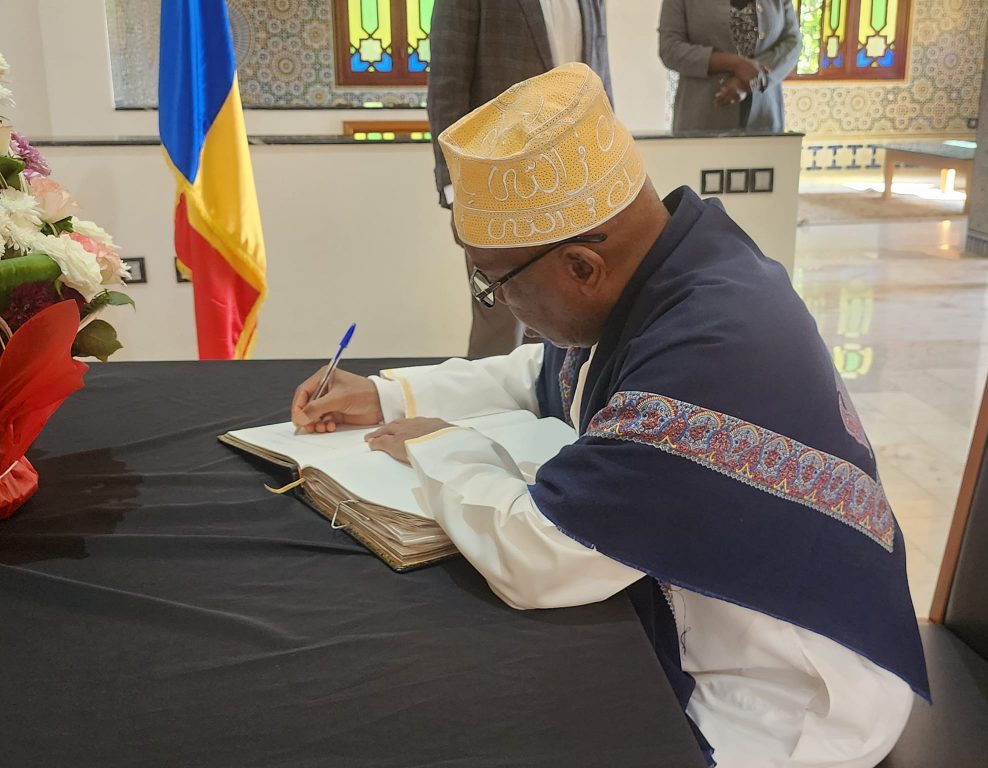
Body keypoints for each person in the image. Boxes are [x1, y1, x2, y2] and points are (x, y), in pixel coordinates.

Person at [293, 64, 929, 767]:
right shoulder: (675, 265)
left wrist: (439, 446)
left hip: (789, 696)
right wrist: (391, 397)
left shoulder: (710, 353)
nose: (496, 302)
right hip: (719, 624)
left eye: (494, 281)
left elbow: (536, 557)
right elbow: (547, 376)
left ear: (580, 267)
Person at [427, 0, 612, 359]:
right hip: (498, 185)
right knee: (498, 317)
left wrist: (604, 167)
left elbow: (599, 83)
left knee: (571, 311)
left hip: (576, 181)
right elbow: (447, 88)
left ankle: (560, 408)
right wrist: (456, 190)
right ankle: (484, 415)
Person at [658, 0, 800, 133]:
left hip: (764, 119)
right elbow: (670, 49)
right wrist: (735, 64)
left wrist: (752, 81)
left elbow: (793, 42)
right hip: (702, 119)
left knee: (764, 160)